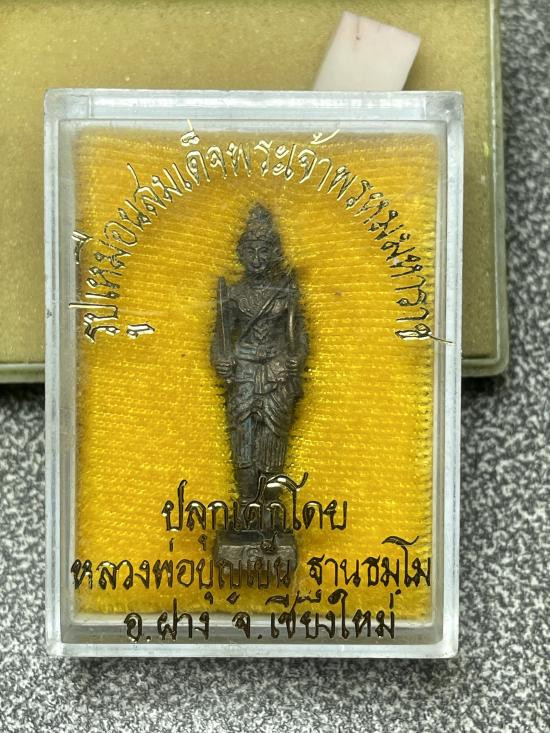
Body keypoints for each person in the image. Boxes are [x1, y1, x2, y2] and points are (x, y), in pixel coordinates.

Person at [211, 202, 308, 503]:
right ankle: (245, 504)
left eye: (263, 251)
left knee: (273, 440)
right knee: (242, 440)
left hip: (277, 373)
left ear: (274, 253)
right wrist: (222, 360)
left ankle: (270, 507)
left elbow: (299, 337)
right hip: (243, 372)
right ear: (240, 254)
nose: (257, 259)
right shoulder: (234, 294)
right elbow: (220, 339)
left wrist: (295, 359)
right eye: (250, 251)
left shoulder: (286, 292)